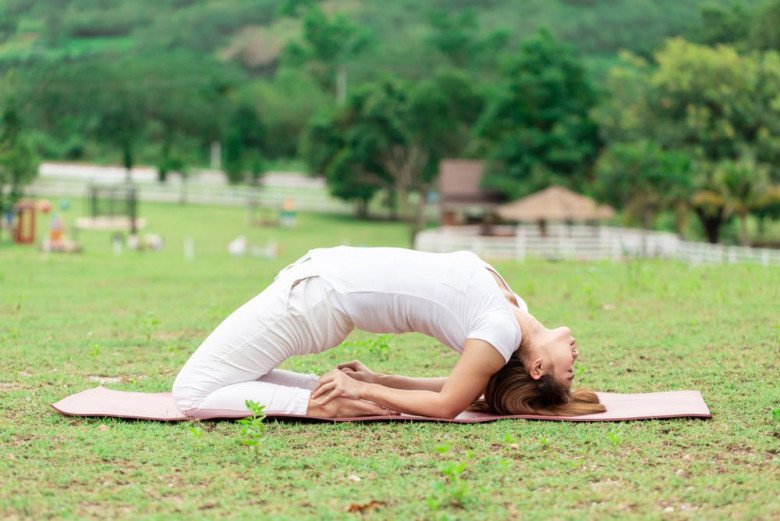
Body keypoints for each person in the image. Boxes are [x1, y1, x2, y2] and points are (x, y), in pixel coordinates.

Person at [172, 246, 605, 419]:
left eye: (569, 372)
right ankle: (326, 392)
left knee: (193, 393)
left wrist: (365, 392)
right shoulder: (515, 314)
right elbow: (457, 386)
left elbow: (446, 404)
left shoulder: (499, 330)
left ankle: (320, 404)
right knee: (230, 379)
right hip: (320, 284)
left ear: (537, 368)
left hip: (317, 298)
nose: (577, 358)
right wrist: (377, 380)